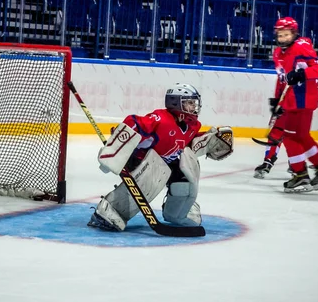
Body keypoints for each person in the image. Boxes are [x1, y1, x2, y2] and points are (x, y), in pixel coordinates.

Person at [88, 83, 234, 231]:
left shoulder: (192, 126)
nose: (193, 107)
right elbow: (134, 122)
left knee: (185, 174)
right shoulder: (160, 119)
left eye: (193, 103)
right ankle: (112, 209)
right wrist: (116, 146)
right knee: (157, 172)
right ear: (177, 103)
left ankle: (178, 212)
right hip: (141, 162)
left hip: (166, 162)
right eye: (189, 103)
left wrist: (209, 142)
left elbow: (186, 143)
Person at [264, 16, 318, 192]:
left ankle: (302, 174)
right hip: (290, 101)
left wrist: (302, 75)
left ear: (294, 34)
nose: (283, 39)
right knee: (301, 136)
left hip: (304, 99)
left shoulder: (301, 47)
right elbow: (283, 78)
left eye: (286, 35)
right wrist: (276, 100)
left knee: (291, 137)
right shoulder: (278, 53)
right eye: (280, 35)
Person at [254, 79, 318, 179]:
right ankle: (296, 166)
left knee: (277, 134)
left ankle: (268, 162)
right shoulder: (312, 81)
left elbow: (282, 88)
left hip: (288, 110)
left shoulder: (290, 75)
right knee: (296, 138)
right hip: (300, 114)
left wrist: (277, 104)